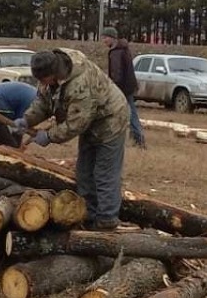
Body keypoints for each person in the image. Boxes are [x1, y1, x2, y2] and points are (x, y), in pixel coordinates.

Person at [17, 47, 129, 230]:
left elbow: (76, 124)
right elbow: (44, 102)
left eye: (43, 80)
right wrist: (27, 118)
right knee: (84, 172)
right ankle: (89, 216)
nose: (41, 84)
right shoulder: (49, 76)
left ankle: (107, 221)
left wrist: (49, 136)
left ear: (53, 73)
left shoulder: (79, 84)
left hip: (111, 120)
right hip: (90, 123)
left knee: (104, 174)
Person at [102, 26, 145, 148]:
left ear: (112, 38)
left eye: (105, 38)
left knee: (128, 114)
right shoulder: (122, 49)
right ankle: (136, 138)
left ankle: (138, 139)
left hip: (122, 88)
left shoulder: (116, 52)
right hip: (128, 87)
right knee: (131, 113)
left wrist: (112, 88)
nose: (103, 41)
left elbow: (117, 74)